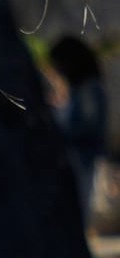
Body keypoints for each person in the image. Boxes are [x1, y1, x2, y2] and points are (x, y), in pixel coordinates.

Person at [53, 36, 106, 234]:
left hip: (82, 163)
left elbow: (88, 128)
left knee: (76, 216)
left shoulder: (90, 90)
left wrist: (57, 131)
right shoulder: (77, 92)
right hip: (75, 163)